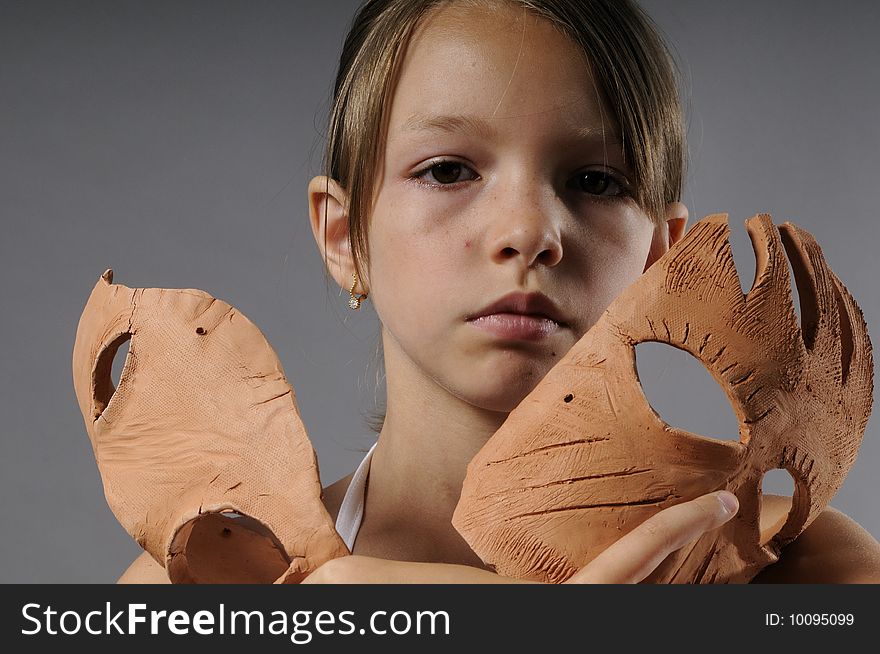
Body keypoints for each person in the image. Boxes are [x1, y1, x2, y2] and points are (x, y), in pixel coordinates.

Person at [119, 0, 880, 584]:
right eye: (448, 170)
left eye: (593, 180)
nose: (527, 231)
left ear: (662, 261)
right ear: (344, 236)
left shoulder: (801, 565)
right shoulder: (202, 580)